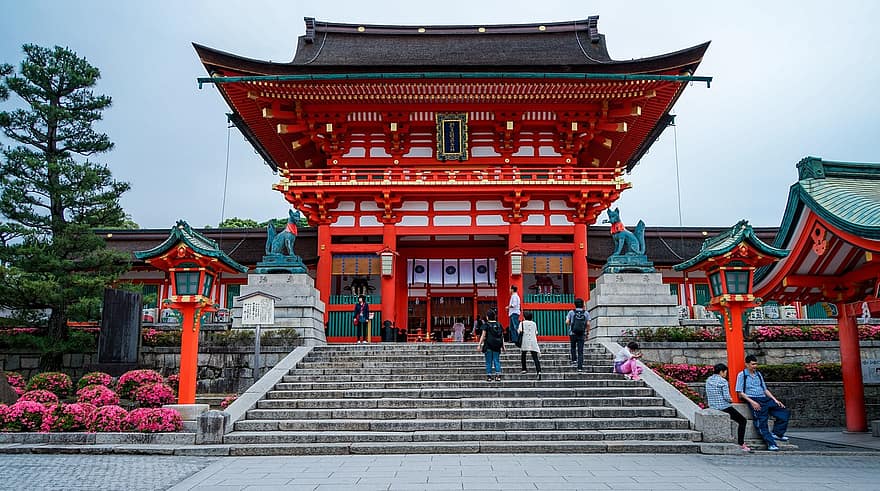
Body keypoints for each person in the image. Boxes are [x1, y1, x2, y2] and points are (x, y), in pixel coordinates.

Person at [735, 354, 790, 451]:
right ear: (747, 364)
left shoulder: (758, 374)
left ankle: (778, 433)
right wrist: (752, 402)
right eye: (752, 364)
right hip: (754, 399)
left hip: (764, 398)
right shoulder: (742, 375)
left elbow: (765, 389)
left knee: (783, 411)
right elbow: (740, 392)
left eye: (756, 364)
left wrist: (775, 400)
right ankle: (771, 443)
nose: (755, 366)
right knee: (761, 422)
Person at [705, 363, 751, 452]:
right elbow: (726, 397)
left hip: (712, 405)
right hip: (723, 406)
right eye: (725, 372)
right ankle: (741, 443)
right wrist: (731, 399)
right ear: (721, 372)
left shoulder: (708, 380)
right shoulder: (723, 381)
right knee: (742, 420)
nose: (725, 374)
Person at [477, 309, 504, 381]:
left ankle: (489, 376)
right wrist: (503, 346)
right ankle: (498, 375)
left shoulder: (486, 325)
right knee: (496, 360)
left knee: (488, 361)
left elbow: (483, 335)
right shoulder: (499, 325)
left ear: (487, 317)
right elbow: (501, 336)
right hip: (497, 346)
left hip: (488, 345)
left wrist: (479, 344)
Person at [565, 298, 591, 372]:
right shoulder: (586, 313)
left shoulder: (571, 312)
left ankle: (574, 360)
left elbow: (567, 322)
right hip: (581, 333)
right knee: (580, 350)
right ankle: (580, 367)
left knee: (573, 347)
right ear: (582, 304)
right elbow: (588, 324)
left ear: (575, 304)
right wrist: (587, 332)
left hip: (572, 333)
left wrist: (571, 324)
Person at [517, 311, 542, 380]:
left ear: (524, 317)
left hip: (525, 341)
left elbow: (519, 331)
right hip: (533, 341)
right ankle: (539, 371)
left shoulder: (522, 323)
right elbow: (536, 333)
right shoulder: (534, 323)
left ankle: (524, 369)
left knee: (523, 355)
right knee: (535, 357)